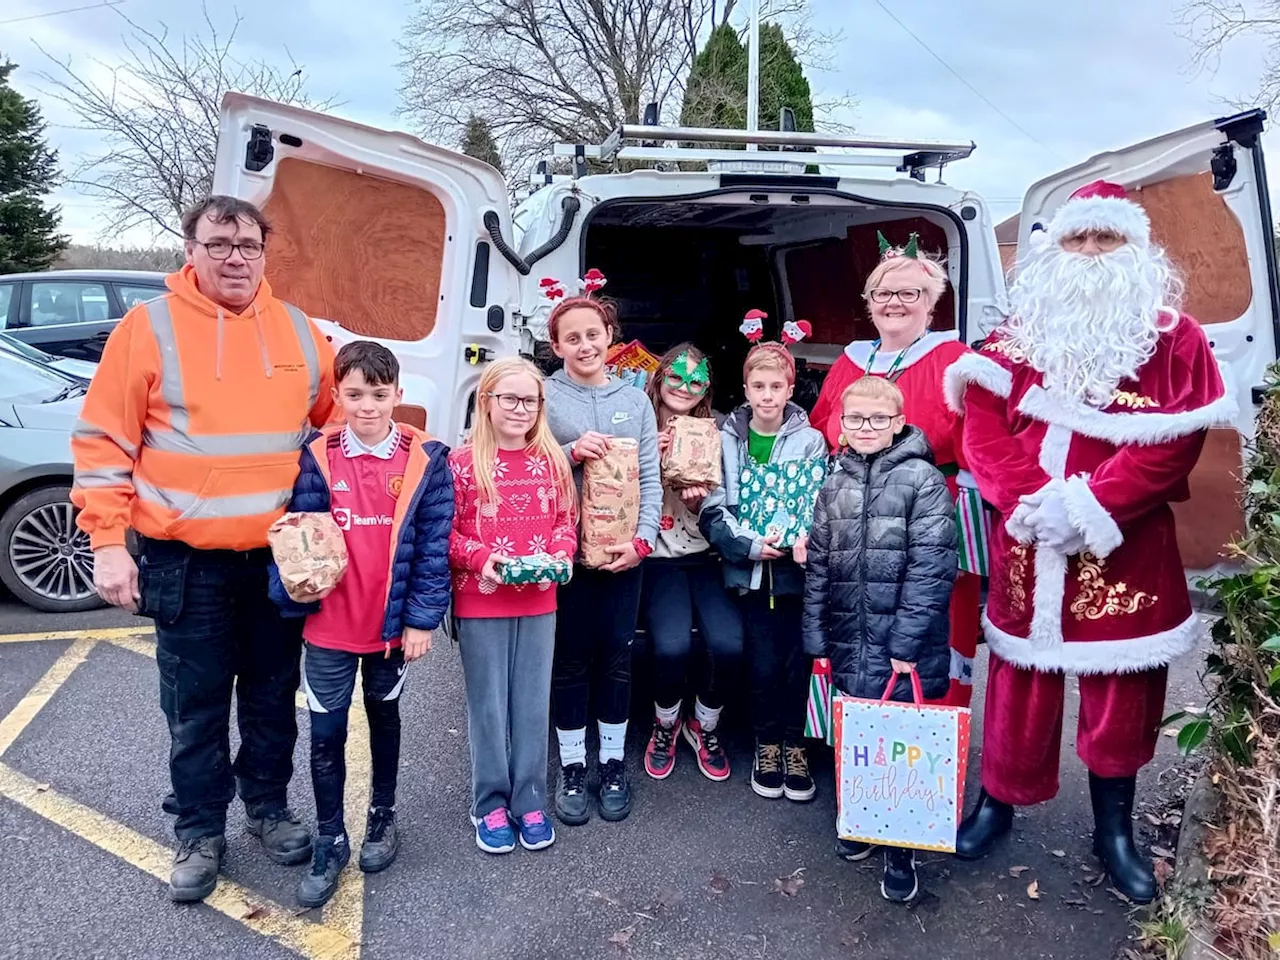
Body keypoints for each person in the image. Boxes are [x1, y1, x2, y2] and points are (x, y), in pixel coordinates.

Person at [944, 181, 1235, 903]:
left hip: (1125, 545)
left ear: (1135, 249)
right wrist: (1031, 504)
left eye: (1107, 240)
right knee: (1018, 685)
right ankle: (998, 804)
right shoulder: (1016, 335)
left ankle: (1114, 832)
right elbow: (981, 430)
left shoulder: (1176, 338)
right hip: (1026, 543)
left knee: (1121, 693)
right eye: (1079, 239)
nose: (1091, 253)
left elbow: (1173, 444)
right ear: (1055, 247)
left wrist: (1090, 507)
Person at [71, 195, 336, 903]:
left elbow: (337, 433)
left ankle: (268, 810)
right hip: (185, 563)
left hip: (279, 563)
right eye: (218, 244)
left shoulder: (301, 332)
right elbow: (103, 444)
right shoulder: (147, 329)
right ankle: (198, 830)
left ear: (264, 251)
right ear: (190, 249)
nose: (234, 258)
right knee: (195, 706)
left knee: (275, 698)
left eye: (247, 244)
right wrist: (107, 544)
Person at [267, 340, 453, 907]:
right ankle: (330, 838)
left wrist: (422, 621)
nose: (367, 406)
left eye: (378, 394)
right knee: (326, 735)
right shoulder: (317, 454)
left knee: (384, 720)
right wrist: (292, 599)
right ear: (336, 395)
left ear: (398, 394)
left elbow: (433, 550)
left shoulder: (427, 458)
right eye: (354, 394)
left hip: (391, 630)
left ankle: (381, 817)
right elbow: (298, 533)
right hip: (328, 627)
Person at [808, 236, 982, 708]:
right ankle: (863, 748)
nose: (895, 303)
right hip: (856, 520)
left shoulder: (956, 362)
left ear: (932, 302)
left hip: (932, 514)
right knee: (855, 626)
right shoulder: (850, 361)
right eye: (883, 293)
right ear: (869, 303)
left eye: (910, 293)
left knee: (927, 627)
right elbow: (822, 425)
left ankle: (928, 745)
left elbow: (979, 442)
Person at [802, 376, 957, 902]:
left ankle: (901, 847)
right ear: (840, 424)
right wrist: (816, 637)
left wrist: (907, 644)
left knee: (900, 745)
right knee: (861, 737)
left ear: (897, 422)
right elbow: (820, 565)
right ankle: (866, 821)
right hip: (848, 636)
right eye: (854, 419)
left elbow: (932, 568)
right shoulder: (834, 482)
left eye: (876, 420)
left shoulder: (923, 481)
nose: (864, 428)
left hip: (902, 643)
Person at [448, 357, 578, 854]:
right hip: (481, 600)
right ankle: (489, 802)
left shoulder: (552, 462)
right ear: (487, 401)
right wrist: (482, 558)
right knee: (488, 706)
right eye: (510, 399)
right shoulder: (463, 464)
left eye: (531, 400)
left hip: (540, 599)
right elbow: (448, 534)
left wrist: (562, 553)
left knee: (530, 703)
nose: (521, 409)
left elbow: (567, 522)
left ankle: (529, 798)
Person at [545, 292, 661, 825]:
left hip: (622, 556)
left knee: (616, 656)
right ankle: (572, 766)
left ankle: (612, 763)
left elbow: (652, 479)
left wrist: (641, 541)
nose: (585, 345)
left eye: (593, 334)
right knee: (570, 659)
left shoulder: (635, 401)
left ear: (610, 336)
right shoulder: (544, 397)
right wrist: (570, 453)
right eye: (572, 337)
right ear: (556, 345)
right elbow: (526, 466)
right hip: (566, 554)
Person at [700, 340, 828, 802]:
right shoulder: (726, 438)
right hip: (751, 573)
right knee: (761, 663)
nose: (768, 395)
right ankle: (766, 743)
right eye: (759, 386)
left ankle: (795, 744)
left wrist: (808, 540)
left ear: (791, 388)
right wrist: (750, 546)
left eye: (777, 386)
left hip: (797, 574)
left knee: (798, 664)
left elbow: (820, 502)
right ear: (746, 388)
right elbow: (714, 507)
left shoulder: (811, 440)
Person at [640, 344, 744, 782]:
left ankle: (704, 723)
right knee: (670, 647)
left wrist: (706, 503)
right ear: (660, 377)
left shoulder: (717, 429)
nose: (684, 387)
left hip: (705, 555)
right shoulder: (639, 419)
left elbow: (736, 495)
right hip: (658, 558)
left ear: (707, 386)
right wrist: (645, 454)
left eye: (695, 380)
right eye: (676, 377)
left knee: (728, 644)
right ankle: (665, 723)